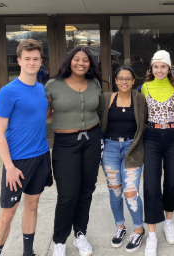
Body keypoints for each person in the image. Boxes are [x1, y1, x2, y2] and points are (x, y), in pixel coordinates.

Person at [0, 39, 53, 256]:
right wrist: (9, 166)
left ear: (41, 61)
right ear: (19, 61)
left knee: (32, 205)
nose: (31, 62)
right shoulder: (8, 92)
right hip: (17, 162)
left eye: (35, 59)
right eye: (27, 59)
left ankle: (29, 252)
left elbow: (42, 117)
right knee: (7, 214)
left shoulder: (41, 89)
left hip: (41, 156)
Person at [46, 46, 103, 256]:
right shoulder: (53, 85)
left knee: (86, 191)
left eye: (85, 60)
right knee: (67, 195)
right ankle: (59, 240)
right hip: (65, 143)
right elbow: (43, 114)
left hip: (92, 140)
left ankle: (80, 235)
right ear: (70, 61)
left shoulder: (94, 84)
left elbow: (99, 111)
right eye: (77, 59)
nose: (81, 63)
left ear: (90, 64)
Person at [141, 50, 174, 256]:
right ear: (151, 68)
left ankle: (168, 222)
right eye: (156, 66)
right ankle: (151, 233)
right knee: (151, 183)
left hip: (173, 137)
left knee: (172, 180)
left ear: (169, 69)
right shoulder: (144, 87)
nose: (159, 70)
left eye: (163, 66)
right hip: (151, 137)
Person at [98, 66, 147, 253]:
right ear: (116, 81)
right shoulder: (106, 99)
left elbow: (145, 123)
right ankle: (120, 227)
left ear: (133, 81)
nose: (124, 82)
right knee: (115, 190)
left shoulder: (139, 99)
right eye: (120, 78)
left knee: (130, 192)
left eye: (128, 79)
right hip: (110, 147)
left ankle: (138, 230)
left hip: (132, 148)